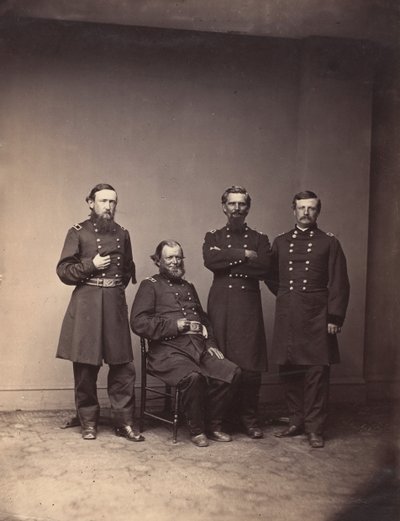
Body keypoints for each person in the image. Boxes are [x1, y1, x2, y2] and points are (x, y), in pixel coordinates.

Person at [130, 240, 241, 447]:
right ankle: (197, 430)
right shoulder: (150, 285)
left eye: (178, 257)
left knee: (231, 372)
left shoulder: (188, 286)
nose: (175, 262)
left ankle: (213, 425)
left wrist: (211, 344)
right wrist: (174, 325)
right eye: (169, 258)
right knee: (193, 377)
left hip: (198, 348)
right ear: (158, 261)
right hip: (166, 352)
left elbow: (204, 319)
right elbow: (138, 322)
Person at [56, 183, 144, 442]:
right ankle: (88, 422)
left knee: (123, 366)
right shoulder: (78, 232)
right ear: (91, 203)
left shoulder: (123, 233)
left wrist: (111, 290)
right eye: (103, 201)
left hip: (114, 303)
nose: (108, 206)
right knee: (85, 366)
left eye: (112, 202)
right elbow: (64, 271)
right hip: (88, 304)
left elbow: (126, 270)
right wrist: (91, 265)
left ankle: (124, 422)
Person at [265, 190, 350, 448]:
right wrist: (288, 296)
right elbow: (270, 276)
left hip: (317, 315)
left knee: (316, 372)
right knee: (289, 368)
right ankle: (296, 420)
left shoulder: (329, 242)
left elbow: (339, 282)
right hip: (288, 312)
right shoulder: (280, 242)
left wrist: (334, 316)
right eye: (301, 208)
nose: (306, 212)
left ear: (318, 211)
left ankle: (315, 428)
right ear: (294, 210)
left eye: (311, 208)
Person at [203, 186, 271, 438]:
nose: (237, 208)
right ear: (224, 207)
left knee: (250, 365)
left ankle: (249, 419)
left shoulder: (260, 238)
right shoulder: (213, 236)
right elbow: (211, 261)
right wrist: (244, 254)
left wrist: (228, 261)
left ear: (248, 208)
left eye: (242, 204)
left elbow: (264, 268)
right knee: (222, 361)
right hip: (221, 305)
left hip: (247, 306)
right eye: (232, 204)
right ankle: (219, 420)